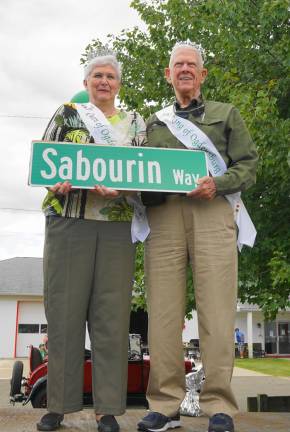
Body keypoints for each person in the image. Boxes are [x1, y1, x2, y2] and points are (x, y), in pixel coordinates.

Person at [137, 41, 258, 432]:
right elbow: (137, 172)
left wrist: (219, 183)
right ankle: (165, 403)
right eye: (178, 65)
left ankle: (219, 404)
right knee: (164, 314)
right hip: (164, 218)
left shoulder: (227, 115)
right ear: (168, 75)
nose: (185, 69)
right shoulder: (151, 123)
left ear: (202, 75)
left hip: (212, 212)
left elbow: (248, 165)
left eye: (192, 64)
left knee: (218, 311)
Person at [36, 49, 147, 432]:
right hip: (69, 222)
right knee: (64, 315)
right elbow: (44, 162)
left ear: (118, 84)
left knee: (111, 319)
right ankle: (58, 406)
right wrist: (56, 181)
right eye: (97, 75)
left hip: (116, 227)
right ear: (86, 83)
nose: (104, 82)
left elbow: (145, 175)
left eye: (110, 77)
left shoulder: (135, 123)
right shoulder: (68, 114)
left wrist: (124, 189)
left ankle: (108, 410)